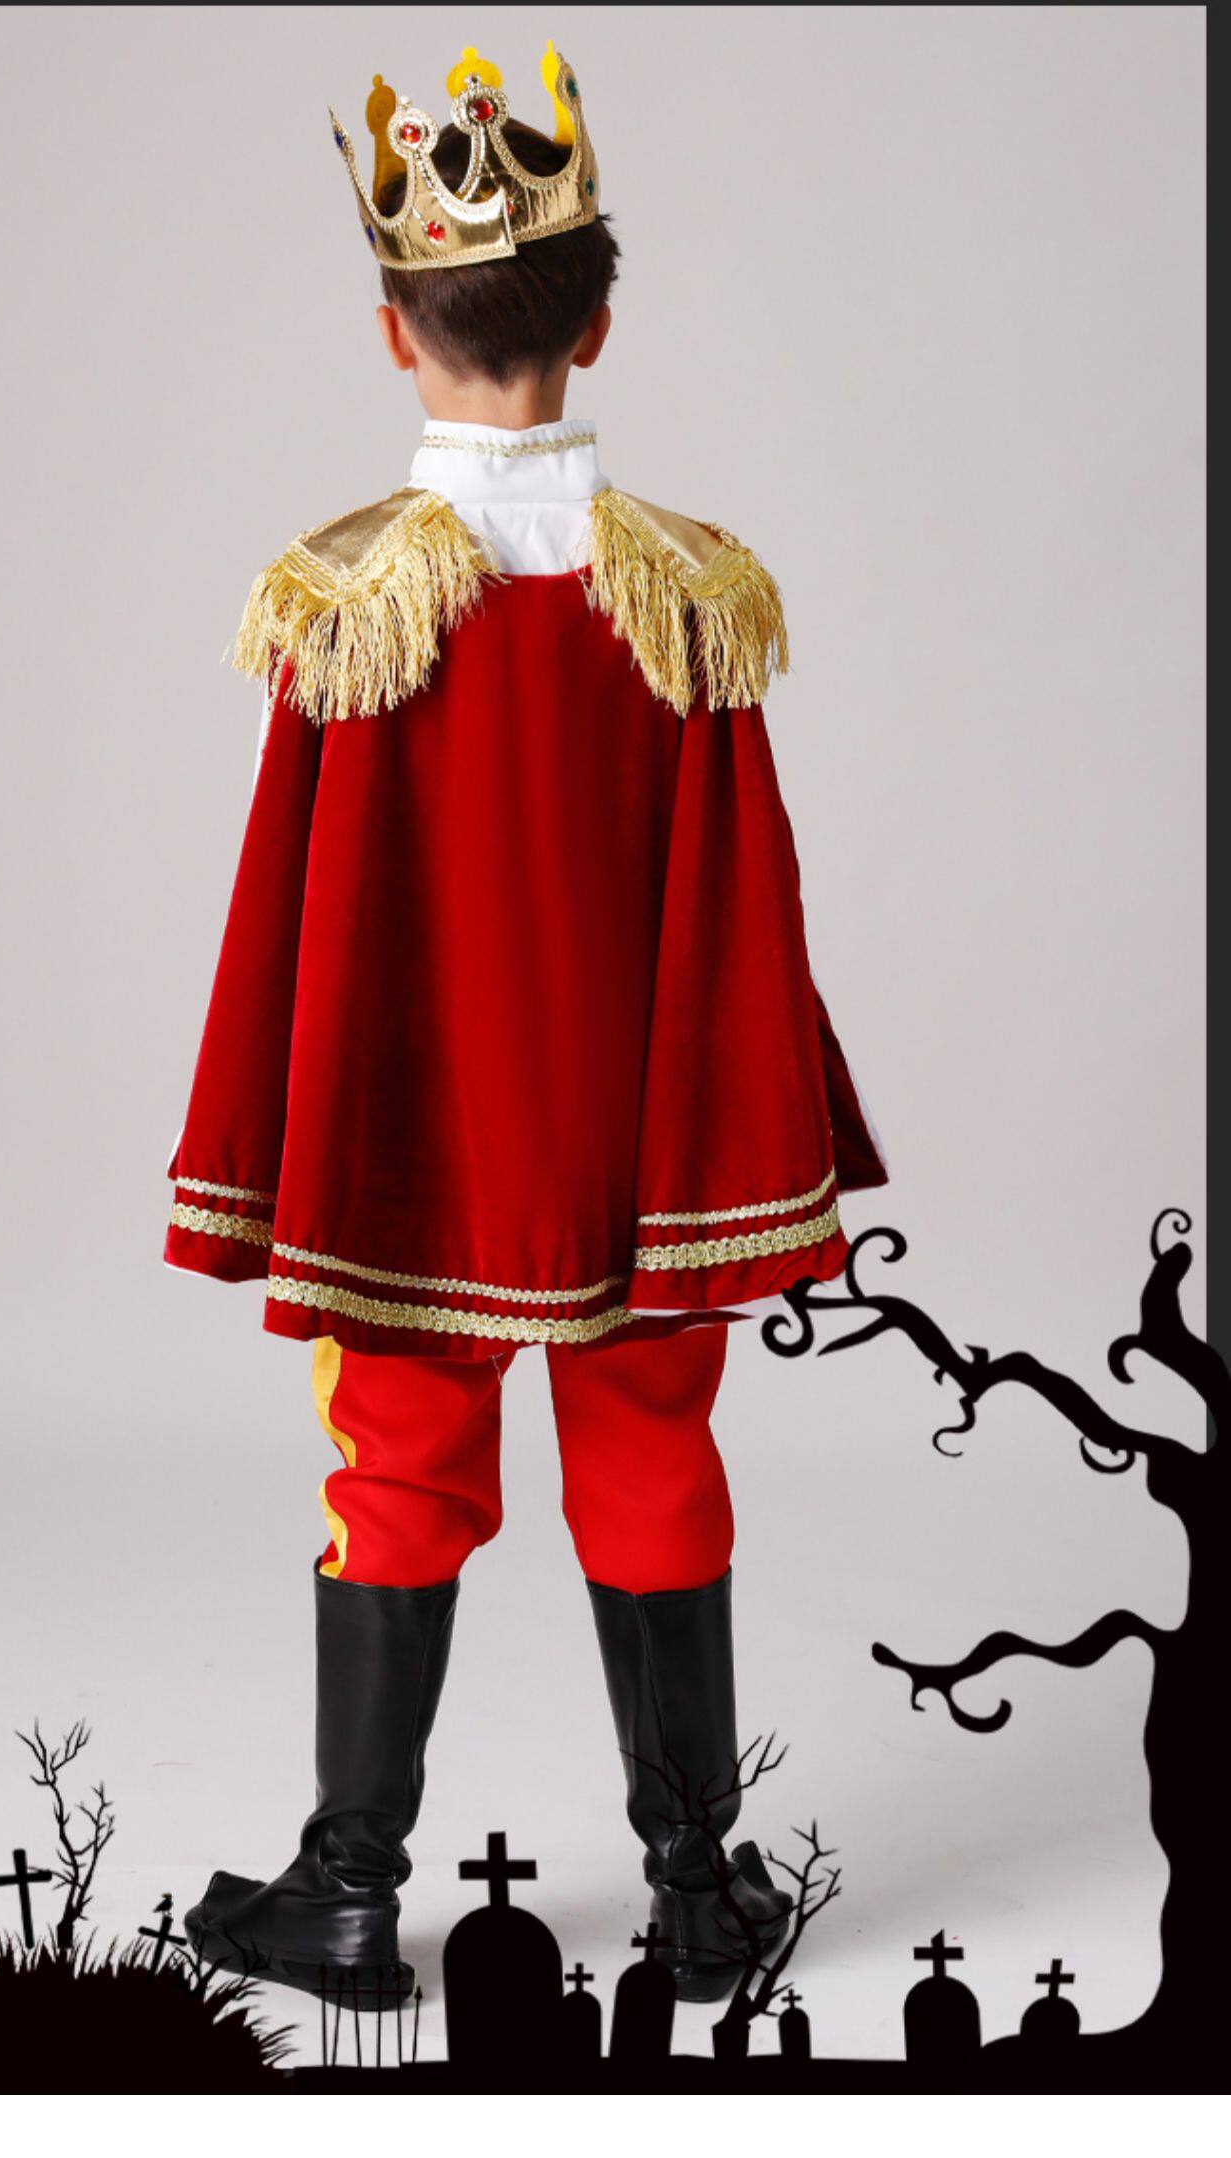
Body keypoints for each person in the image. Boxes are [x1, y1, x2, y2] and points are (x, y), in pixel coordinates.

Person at [169, 44, 887, 2009]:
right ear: (600, 323)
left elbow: (299, 914)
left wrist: (284, 1130)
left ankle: (347, 1895)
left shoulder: (342, 601)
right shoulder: (696, 595)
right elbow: (742, 903)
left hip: (418, 1152)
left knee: (396, 1463)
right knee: (654, 1453)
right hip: (639, 1153)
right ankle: (701, 1894)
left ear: (392, 332)